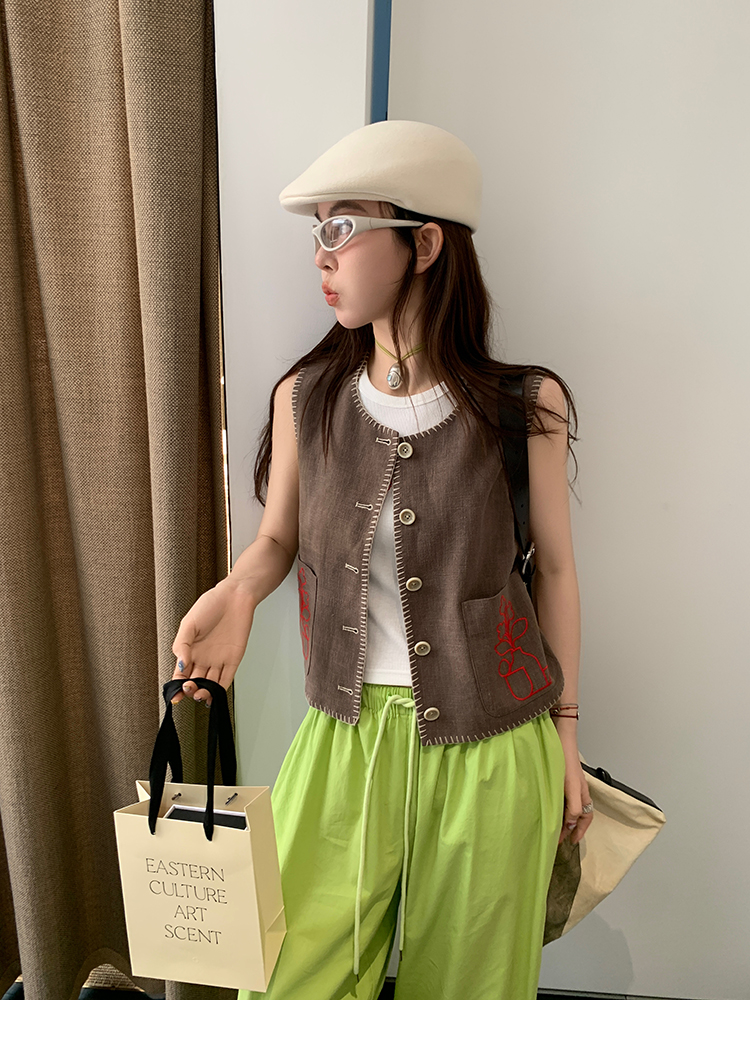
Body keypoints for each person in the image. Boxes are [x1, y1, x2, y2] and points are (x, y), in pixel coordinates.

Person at [169, 120, 594, 1000]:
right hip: (343, 736)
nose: (321, 256)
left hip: (493, 746)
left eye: (342, 226)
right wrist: (239, 592)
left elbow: (553, 572)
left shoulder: (525, 406)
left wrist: (567, 737)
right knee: (287, 990)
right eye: (315, 231)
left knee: (469, 1001)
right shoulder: (307, 397)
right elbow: (278, 539)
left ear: (424, 244)